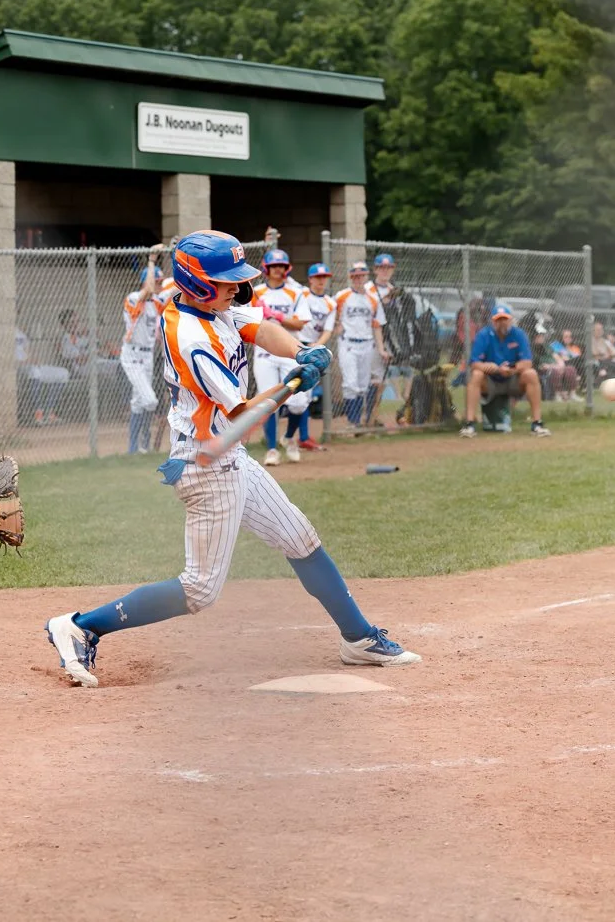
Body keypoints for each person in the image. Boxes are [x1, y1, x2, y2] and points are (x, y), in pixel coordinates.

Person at [41, 231, 420, 688]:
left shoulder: (212, 308)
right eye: (224, 281)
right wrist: (293, 385)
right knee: (200, 589)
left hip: (228, 454)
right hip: (206, 466)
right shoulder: (192, 336)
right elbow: (243, 412)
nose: (234, 288)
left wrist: (301, 353)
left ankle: (358, 638)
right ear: (197, 283)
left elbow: (256, 327)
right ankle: (81, 626)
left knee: (300, 537)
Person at [251, 248, 309, 465]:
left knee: (299, 403)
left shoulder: (296, 293)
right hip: (264, 353)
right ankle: (272, 449)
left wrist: (275, 315)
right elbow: (246, 322)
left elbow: (299, 322)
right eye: (274, 266)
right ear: (266, 269)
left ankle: (288, 438)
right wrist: (257, 313)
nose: (278, 270)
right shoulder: (256, 292)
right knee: (268, 401)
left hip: (288, 352)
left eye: (282, 266)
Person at [459, 303, 550, 438]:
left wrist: (512, 370)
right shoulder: (484, 334)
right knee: (477, 375)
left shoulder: (519, 334)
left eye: (505, 319)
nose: (502, 323)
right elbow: (474, 363)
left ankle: (537, 424)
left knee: (531, 374)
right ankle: (469, 425)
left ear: (511, 320)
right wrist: (488, 367)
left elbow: (527, 362)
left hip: (512, 379)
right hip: (490, 380)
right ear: (492, 321)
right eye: (498, 320)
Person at [121, 248, 169, 454]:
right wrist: (151, 260)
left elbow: (177, 287)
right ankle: (143, 442)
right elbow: (149, 289)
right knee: (149, 400)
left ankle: (135, 449)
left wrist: (176, 255)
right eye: (157, 281)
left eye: (159, 282)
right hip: (131, 355)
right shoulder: (133, 299)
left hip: (147, 356)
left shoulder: (156, 303)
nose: (159, 285)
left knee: (138, 402)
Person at [333, 260, 390, 427]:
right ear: (351, 277)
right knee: (350, 383)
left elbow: (377, 325)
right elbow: (333, 317)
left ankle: (358, 422)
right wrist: (336, 326)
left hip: (367, 344)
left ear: (366, 276)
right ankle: (353, 422)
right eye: (355, 276)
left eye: (361, 276)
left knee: (363, 385)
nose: (358, 279)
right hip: (348, 343)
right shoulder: (342, 296)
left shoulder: (373, 299)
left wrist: (381, 349)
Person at [291, 263, 337, 451]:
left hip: (313, 349)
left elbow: (328, 329)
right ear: (310, 279)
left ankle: (302, 436)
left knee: (306, 394)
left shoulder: (330, 303)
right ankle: (295, 437)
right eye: (317, 277)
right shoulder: (301, 293)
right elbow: (285, 279)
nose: (321, 281)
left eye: (323, 277)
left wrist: (316, 348)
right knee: (296, 394)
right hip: (295, 345)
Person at [365, 253, 407, 426]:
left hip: (388, 340)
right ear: (375, 269)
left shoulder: (394, 289)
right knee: (367, 381)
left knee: (380, 381)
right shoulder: (368, 289)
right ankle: (366, 418)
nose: (385, 271)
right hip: (368, 339)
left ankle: (372, 418)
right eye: (382, 267)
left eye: (388, 267)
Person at [15, 327, 68, 426]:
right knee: (35, 371)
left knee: (63, 373)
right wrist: (24, 362)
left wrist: (33, 359)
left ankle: (49, 411)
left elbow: (27, 353)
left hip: (29, 366)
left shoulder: (21, 333)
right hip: (17, 368)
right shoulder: (4, 331)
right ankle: (38, 413)